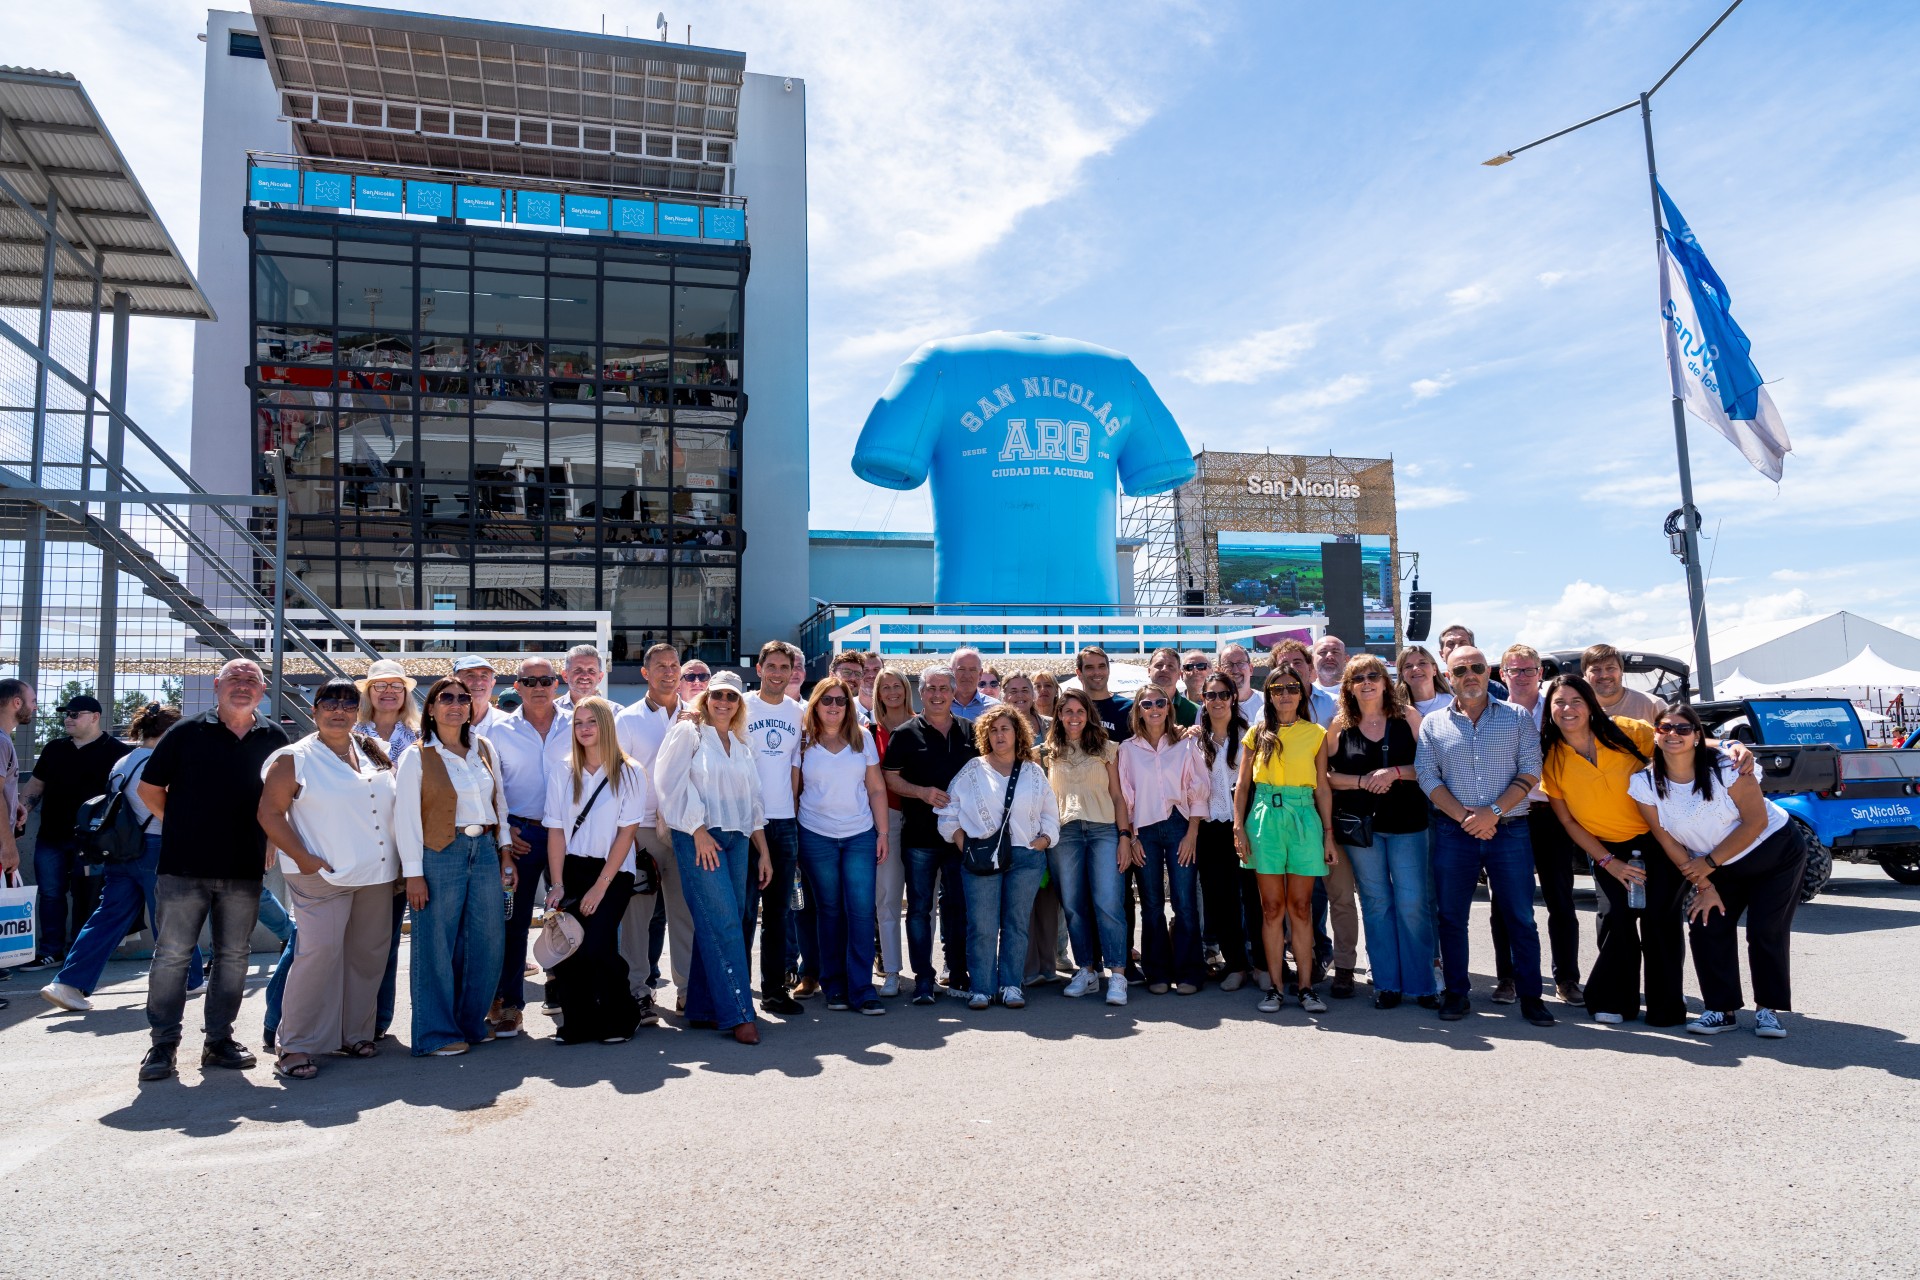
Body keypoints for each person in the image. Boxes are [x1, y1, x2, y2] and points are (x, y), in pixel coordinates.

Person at [134, 659, 291, 1082]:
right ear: (217, 685)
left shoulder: (274, 736)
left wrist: (272, 841)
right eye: (234, 679)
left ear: (263, 691)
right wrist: (184, 825)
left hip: (244, 867)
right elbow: (150, 790)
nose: (243, 686)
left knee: (234, 956)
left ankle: (218, 1040)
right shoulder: (185, 732)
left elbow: (280, 799)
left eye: (252, 680)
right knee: (171, 956)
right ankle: (162, 1045)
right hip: (184, 867)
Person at [1631, 701, 1805, 1039]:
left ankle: (1768, 1010)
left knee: (1765, 929)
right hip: (1717, 862)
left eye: (1683, 728)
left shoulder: (1726, 767)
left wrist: (1707, 865)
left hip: (1774, 852)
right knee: (1706, 922)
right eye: (1665, 728)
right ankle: (1720, 1010)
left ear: (1697, 736)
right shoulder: (1644, 783)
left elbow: (1756, 822)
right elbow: (1667, 840)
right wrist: (1704, 884)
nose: (1673, 734)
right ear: (1656, 735)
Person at [255, 678, 400, 1080]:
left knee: (367, 957)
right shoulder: (293, 758)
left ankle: (352, 1034)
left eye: (348, 703)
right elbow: (270, 814)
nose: (339, 709)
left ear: (358, 711)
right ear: (315, 710)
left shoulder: (374, 750)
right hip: (323, 875)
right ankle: (295, 1044)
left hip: (377, 874)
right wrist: (303, 859)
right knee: (317, 957)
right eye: (329, 702)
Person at [1414, 646, 1555, 1027]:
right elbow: (1428, 778)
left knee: (1520, 917)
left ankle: (1531, 997)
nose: (1470, 675)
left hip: (1509, 830)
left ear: (1488, 671)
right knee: (1451, 918)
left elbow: (1530, 771)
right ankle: (1457, 993)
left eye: (1477, 667)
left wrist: (1491, 813)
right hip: (1454, 832)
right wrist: (1466, 817)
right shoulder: (1433, 724)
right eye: (1461, 670)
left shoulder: (1517, 717)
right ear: (1449, 675)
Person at [1534, 676, 1680, 1026]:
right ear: (1549, 709)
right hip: (1605, 849)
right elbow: (1569, 823)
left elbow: (1682, 747)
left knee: (1661, 922)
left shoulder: (1629, 730)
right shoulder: (1551, 756)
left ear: (1590, 703)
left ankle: (1666, 1008)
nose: (1567, 709)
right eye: (1559, 702)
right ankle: (1616, 1002)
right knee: (1617, 919)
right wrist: (1609, 862)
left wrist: (1734, 749)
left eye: (1575, 700)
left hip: (1659, 838)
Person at [394, 676, 513, 1057]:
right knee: (435, 945)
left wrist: (506, 851)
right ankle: (435, 1034)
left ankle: (469, 1024)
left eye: (463, 698)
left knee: (488, 941)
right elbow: (407, 818)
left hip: (485, 849)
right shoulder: (416, 755)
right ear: (430, 708)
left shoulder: (484, 747)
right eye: (446, 698)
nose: (456, 703)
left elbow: (502, 804)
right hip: (439, 852)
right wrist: (413, 873)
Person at [653, 670, 773, 1044]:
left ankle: (703, 1006)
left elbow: (752, 801)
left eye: (732, 697)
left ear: (739, 704)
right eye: (717, 695)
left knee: (730, 920)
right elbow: (667, 783)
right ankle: (739, 1012)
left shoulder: (741, 741)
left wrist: (763, 851)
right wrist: (698, 830)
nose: (724, 702)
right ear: (706, 698)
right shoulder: (688, 733)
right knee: (721, 921)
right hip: (700, 837)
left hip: (738, 839)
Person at [38, 704, 179, 1013]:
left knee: (107, 917)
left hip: (120, 850)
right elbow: (160, 803)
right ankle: (188, 978)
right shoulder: (159, 762)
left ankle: (67, 982)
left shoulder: (122, 761)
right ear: (169, 732)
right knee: (171, 916)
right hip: (155, 846)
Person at [1321, 656, 1437, 1010]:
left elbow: (1431, 767)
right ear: (1349, 687)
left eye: (1374, 676)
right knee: (1376, 904)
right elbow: (1325, 777)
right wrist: (1362, 781)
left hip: (1408, 825)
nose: (1367, 682)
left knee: (1413, 904)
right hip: (1363, 831)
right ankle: (1387, 984)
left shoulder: (1408, 717)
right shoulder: (1339, 725)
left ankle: (1421, 984)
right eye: (1359, 678)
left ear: (1386, 682)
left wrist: (1395, 772)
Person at [542, 696, 650, 1044]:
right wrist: (557, 884)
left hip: (613, 872)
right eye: (578, 722)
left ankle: (622, 1016)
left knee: (598, 945)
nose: (585, 729)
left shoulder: (629, 771)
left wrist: (600, 886)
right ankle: (580, 1022)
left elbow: (627, 833)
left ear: (606, 726)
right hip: (571, 868)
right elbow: (556, 830)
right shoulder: (562, 770)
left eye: (592, 722)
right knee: (567, 948)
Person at [936, 705, 1059, 1010]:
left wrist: (1044, 840)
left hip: (1026, 856)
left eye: (1005, 728)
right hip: (982, 858)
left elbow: (1050, 812)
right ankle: (982, 988)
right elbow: (948, 814)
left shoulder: (1032, 771)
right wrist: (964, 843)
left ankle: (1010, 986)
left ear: (1018, 733)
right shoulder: (973, 771)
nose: (999, 735)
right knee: (982, 925)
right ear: (985, 735)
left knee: (1016, 924)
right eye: (993, 730)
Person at [1234, 671, 1335, 1014]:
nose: (1286, 695)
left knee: (1302, 908)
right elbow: (1243, 787)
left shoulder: (1316, 734)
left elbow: (1322, 786)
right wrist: (1238, 828)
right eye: (1278, 689)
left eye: (1293, 688)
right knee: (1272, 908)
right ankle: (1275, 988)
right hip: (1264, 819)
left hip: (1304, 818)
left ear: (1302, 693)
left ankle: (1306, 987)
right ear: (1270, 695)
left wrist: (1328, 834)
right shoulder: (1256, 734)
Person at [1488, 644, 1584, 1006]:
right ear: (1503, 674)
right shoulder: (1495, 712)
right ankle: (1508, 977)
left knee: (1560, 898)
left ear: (1540, 672)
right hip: (1507, 814)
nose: (1523, 676)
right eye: (1515, 670)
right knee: (1506, 903)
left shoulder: (1559, 709)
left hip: (1551, 813)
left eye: (1529, 669)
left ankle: (1567, 978)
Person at [486, 656, 574, 1038]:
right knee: (513, 922)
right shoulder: (498, 732)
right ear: (517, 686)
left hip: (569, 836)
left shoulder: (579, 725)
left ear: (558, 684)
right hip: (519, 837)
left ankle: (575, 998)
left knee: (573, 918)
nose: (539, 687)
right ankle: (507, 1004)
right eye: (530, 680)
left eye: (546, 680)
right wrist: (504, 833)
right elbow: (491, 789)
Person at [793, 675, 889, 1015]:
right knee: (829, 911)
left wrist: (883, 832)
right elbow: (794, 790)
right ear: (815, 704)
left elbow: (877, 788)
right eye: (827, 700)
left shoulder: (861, 737)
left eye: (840, 700)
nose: (834, 706)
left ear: (848, 706)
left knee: (861, 912)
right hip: (815, 834)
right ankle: (834, 985)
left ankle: (862, 988)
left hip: (859, 835)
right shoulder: (802, 740)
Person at [882, 665, 978, 1004]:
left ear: (953, 692)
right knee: (920, 909)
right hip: (920, 838)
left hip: (960, 838)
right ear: (920, 694)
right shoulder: (906, 733)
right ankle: (924, 978)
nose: (937, 694)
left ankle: (959, 973)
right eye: (930, 688)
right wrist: (922, 792)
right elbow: (891, 779)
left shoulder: (970, 731)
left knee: (959, 907)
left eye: (943, 688)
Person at [19, 694, 132, 970]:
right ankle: (51, 951)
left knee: (89, 897)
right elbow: (35, 785)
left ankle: (82, 955)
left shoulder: (117, 751)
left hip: (93, 841)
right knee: (50, 894)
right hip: (51, 836)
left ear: (95, 717)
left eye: (75, 714)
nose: (68, 719)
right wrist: (19, 814)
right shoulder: (54, 748)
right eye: (66, 714)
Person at [614, 643, 696, 1013]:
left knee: (685, 913)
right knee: (637, 917)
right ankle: (637, 991)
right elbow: (617, 781)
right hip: (642, 831)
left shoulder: (696, 717)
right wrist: (626, 837)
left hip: (683, 829)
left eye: (674, 665)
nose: (669, 671)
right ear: (645, 673)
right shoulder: (627, 720)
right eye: (660, 666)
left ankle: (687, 989)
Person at [1117, 684, 1209, 994]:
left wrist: (1193, 833)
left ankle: (1189, 973)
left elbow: (1199, 787)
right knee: (1152, 904)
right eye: (1147, 703)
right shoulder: (1127, 749)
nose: (1155, 708)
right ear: (1138, 710)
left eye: (1161, 702)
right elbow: (1126, 796)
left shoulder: (1185, 745)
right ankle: (1156, 972)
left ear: (1169, 707)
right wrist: (1131, 837)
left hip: (1180, 824)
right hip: (1145, 831)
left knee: (1184, 903)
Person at [1042, 688, 1132, 1004]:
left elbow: (1119, 797)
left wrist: (1124, 836)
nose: (1074, 717)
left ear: (1089, 715)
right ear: (1059, 716)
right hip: (1064, 833)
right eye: (1068, 711)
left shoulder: (1107, 749)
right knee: (1074, 906)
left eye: (1080, 711)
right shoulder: (1047, 752)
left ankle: (1118, 976)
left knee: (1108, 903)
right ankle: (1087, 970)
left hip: (1104, 830)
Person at [1273, 637, 1352, 990]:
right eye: (1283, 665)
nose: (1292, 671)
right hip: (1286, 814)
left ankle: (1333, 960)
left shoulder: (1336, 705)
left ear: (1309, 667)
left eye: (1298, 663)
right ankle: (1308, 954)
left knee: (1330, 892)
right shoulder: (1269, 713)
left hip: (1333, 806)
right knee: (1299, 894)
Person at [743, 640, 807, 1013]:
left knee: (779, 913)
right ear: (760, 669)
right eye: (773, 666)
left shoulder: (798, 713)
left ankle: (773, 990)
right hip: (745, 822)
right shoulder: (741, 705)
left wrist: (794, 816)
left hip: (783, 822)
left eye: (786, 667)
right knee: (746, 912)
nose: (779, 673)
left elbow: (795, 770)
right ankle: (741, 995)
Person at [1193, 673, 1264, 993]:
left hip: (1247, 825)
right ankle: (1235, 964)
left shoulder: (1251, 736)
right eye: (1211, 696)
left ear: (1234, 698)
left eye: (1223, 695)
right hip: (1210, 829)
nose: (1217, 701)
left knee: (1254, 898)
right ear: (1203, 701)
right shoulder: (1194, 741)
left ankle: (1262, 964)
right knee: (1220, 901)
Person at [869, 668, 917, 997]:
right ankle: (891, 971)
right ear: (878, 693)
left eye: (897, 685)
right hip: (886, 819)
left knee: (922, 902)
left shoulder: (923, 723)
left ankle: (924, 971)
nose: (892, 692)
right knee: (886, 898)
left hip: (923, 820)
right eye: (884, 687)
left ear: (906, 689)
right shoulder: (868, 731)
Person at [355, 659, 421, 758]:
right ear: (368, 692)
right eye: (380, 686)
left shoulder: (420, 735)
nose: (389, 690)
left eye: (396, 686)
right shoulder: (351, 734)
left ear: (405, 693)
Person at [1583, 643, 1661, 722]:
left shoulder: (1652, 705)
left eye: (1610, 668)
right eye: (1595, 670)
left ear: (1621, 671)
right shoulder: (1577, 711)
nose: (1604, 675)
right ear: (1585, 674)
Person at [1438, 625, 1507, 700]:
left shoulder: (1496, 690)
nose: (1457, 648)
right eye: (1451, 644)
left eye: (1462, 643)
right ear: (1442, 655)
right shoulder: (1436, 691)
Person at [453, 654, 510, 736]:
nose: (478, 682)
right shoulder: (442, 724)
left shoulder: (509, 726)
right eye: (470, 676)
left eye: (484, 676)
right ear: (454, 682)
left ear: (492, 684)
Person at [1147, 648, 1199, 727]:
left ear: (1179, 674)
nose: (1164, 669)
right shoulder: (1135, 708)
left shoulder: (1195, 711)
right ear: (1149, 671)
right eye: (1159, 665)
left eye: (1171, 666)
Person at [1395, 645, 1451, 716]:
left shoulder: (1452, 703)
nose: (1415, 668)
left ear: (1434, 669)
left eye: (1422, 663)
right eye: (1408, 666)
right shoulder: (1395, 710)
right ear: (1402, 675)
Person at [1217, 644, 1263, 724]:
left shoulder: (1268, 703)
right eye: (1228, 664)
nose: (1235, 670)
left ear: (1251, 669)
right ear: (1219, 671)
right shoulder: (1212, 706)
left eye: (1240, 663)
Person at [950, 646, 998, 718]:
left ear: (980, 674)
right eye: (961, 669)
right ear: (950, 672)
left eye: (972, 670)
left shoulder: (994, 709)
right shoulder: (938, 705)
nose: (967, 675)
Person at [556, 643, 605, 710]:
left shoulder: (616, 713)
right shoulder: (551, 711)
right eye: (578, 670)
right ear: (565, 676)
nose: (585, 676)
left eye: (591, 670)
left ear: (600, 677)